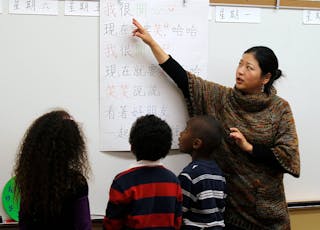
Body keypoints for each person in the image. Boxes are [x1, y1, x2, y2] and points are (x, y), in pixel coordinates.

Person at [132, 18, 300, 230]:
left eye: (249, 68)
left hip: (268, 214)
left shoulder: (280, 109)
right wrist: (152, 44)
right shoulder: (221, 98)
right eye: (240, 63)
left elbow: (289, 157)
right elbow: (185, 81)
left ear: (265, 77)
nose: (240, 71)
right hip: (228, 213)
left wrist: (249, 148)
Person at [14, 110, 91, 230]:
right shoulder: (76, 182)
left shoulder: (29, 180)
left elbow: (24, 224)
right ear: (72, 147)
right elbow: (83, 225)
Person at [103, 114, 182, 230]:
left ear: (132, 147)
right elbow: (177, 222)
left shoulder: (122, 181)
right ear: (167, 148)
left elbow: (112, 224)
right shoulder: (173, 181)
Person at [178, 115, 227, 229]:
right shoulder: (218, 172)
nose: (180, 134)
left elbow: (180, 210)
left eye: (185, 130)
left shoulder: (189, 175)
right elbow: (221, 207)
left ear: (196, 143)